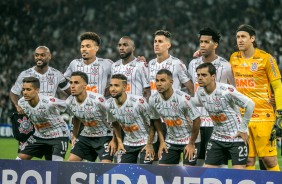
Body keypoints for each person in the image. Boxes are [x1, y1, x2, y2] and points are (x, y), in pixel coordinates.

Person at [229, 24, 282, 171]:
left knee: (269, 160)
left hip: (264, 116)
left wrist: (280, 112)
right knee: (248, 160)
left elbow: (278, 86)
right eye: (238, 37)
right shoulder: (234, 58)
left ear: (252, 38)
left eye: (243, 37)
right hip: (242, 118)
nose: (240, 40)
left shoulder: (266, 58)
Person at [9, 46, 70, 159]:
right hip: (35, 124)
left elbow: (71, 92)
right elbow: (13, 93)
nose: (39, 57)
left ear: (49, 56)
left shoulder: (57, 75)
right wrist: (17, 105)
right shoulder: (25, 74)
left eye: (42, 55)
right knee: (20, 160)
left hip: (51, 116)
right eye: (37, 55)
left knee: (51, 164)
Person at [191, 63, 255, 169]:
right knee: (208, 173)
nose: (200, 78)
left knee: (238, 174)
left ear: (213, 76)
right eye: (198, 75)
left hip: (236, 137)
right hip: (217, 137)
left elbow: (250, 104)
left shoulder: (226, 91)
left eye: (204, 75)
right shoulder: (200, 92)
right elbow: (197, 101)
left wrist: (243, 128)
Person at [188, 27, 235, 166]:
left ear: (215, 45)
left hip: (217, 123)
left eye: (206, 42)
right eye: (201, 42)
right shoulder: (193, 64)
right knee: (194, 163)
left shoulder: (226, 66)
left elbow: (233, 91)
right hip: (195, 121)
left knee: (218, 164)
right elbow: (191, 89)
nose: (202, 45)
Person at [149, 69, 201, 165]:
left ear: (171, 82)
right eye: (157, 80)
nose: (159, 84)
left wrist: (191, 143)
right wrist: (162, 142)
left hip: (190, 140)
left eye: (163, 80)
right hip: (171, 141)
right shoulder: (153, 99)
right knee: (163, 170)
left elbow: (197, 120)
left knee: (188, 172)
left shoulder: (183, 98)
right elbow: (155, 120)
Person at [106, 74, 158, 164]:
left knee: (144, 171)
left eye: (116, 85)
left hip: (146, 141)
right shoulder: (108, 104)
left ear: (124, 87)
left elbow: (152, 123)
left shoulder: (138, 102)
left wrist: (150, 144)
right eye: (111, 85)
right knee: (122, 170)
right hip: (128, 142)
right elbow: (114, 124)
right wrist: (120, 143)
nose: (112, 89)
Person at [66, 71, 116, 162]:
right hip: (86, 135)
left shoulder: (98, 100)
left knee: (105, 165)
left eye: (76, 83)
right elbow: (76, 117)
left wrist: (114, 140)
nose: (72, 86)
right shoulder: (69, 101)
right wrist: (74, 136)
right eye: (71, 83)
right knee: (70, 162)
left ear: (85, 85)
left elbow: (115, 118)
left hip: (105, 135)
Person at [16, 77, 69, 161]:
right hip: (39, 136)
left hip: (58, 135)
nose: (25, 92)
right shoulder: (21, 102)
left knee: (56, 165)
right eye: (23, 89)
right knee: (18, 161)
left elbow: (69, 105)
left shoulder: (49, 102)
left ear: (37, 90)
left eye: (28, 89)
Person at [64, 32, 113, 96]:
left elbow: (121, 81)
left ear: (96, 48)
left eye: (88, 46)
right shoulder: (74, 63)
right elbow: (63, 80)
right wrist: (72, 93)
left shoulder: (106, 63)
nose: (84, 49)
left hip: (97, 105)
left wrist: (104, 94)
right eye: (82, 46)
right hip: (78, 105)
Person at [148, 30, 194, 96]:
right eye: (155, 41)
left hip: (173, 105)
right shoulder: (150, 63)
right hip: (155, 105)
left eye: (160, 41)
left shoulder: (177, 63)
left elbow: (191, 88)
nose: (156, 44)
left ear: (168, 45)